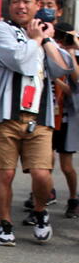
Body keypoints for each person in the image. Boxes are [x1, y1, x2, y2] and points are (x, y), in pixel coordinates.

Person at [0, 0, 73, 246]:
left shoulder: (40, 33)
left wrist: (48, 39)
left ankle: (41, 212)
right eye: (16, 1)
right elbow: (19, 60)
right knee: (6, 173)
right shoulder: (1, 30)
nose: (21, 6)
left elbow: (62, 67)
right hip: (6, 116)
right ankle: (5, 223)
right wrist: (36, 39)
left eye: (27, 1)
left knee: (42, 174)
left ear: (37, 5)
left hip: (40, 118)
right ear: (9, 5)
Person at [49, 22, 79, 218]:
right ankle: (44, 194)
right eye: (59, 37)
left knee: (66, 166)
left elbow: (75, 85)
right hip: (48, 116)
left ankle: (73, 198)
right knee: (44, 162)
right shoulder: (50, 52)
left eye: (65, 37)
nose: (62, 41)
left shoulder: (73, 57)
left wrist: (73, 50)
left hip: (66, 118)